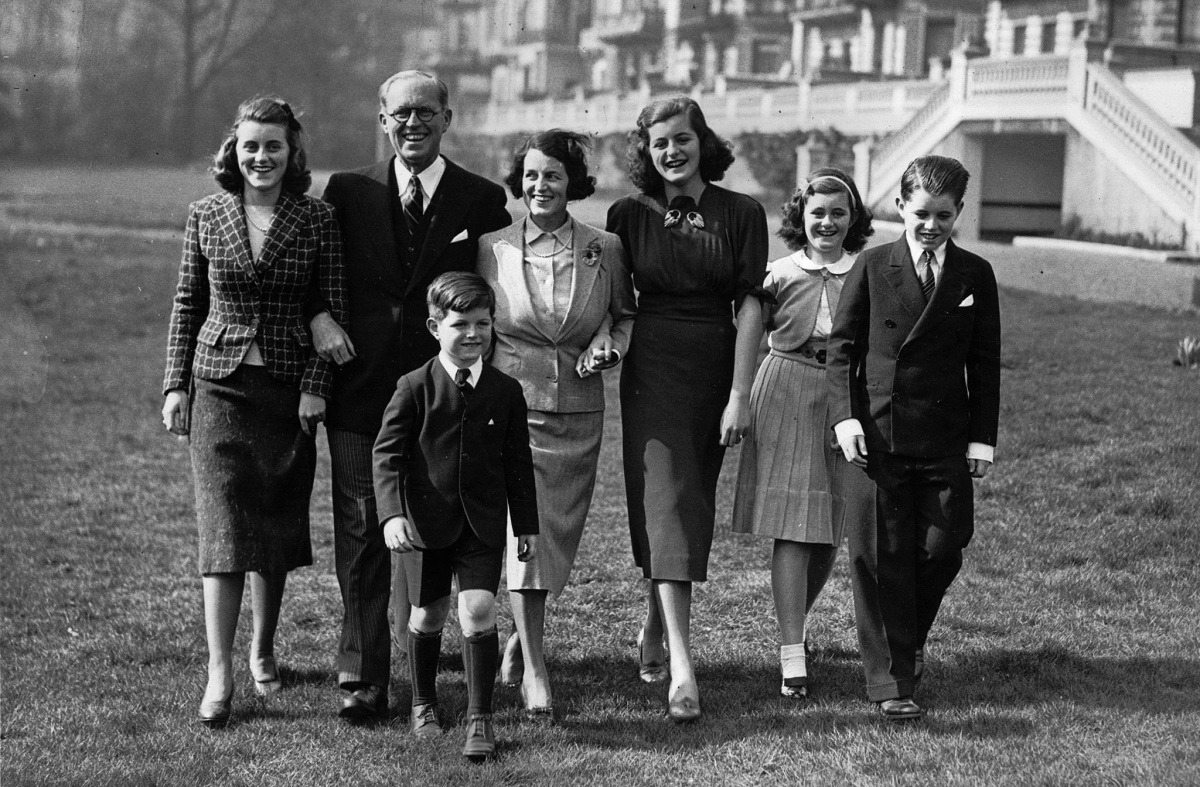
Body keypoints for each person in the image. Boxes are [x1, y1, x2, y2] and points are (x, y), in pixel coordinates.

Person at [310, 70, 511, 723]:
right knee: (362, 528)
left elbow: (490, 294)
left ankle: (433, 649)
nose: (414, 123)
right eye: (401, 113)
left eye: (427, 111)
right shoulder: (348, 191)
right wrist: (319, 315)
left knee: (444, 523)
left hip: (443, 399)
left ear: (447, 118)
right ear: (383, 120)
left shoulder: (481, 198)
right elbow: (315, 269)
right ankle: (363, 674)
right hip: (360, 386)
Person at [161, 96, 346, 727]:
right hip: (218, 386)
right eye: (250, 146)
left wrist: (317, 385)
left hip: (288, 393)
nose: (261, 157)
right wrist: (175, 385)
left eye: (273, 146)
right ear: (233, 152)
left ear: (292, 152)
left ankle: (263, 651)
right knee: (223, 527)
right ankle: (220, 671)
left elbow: (333, 306)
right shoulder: (206, 213)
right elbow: (187, 302)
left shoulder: (317, 218)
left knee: (273, 523)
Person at [606, 96, 768, 723]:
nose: (671, 151)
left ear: (703, 141)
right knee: (666, 502)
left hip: (715, 370)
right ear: (644, 152)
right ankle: (682, 664)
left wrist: (739, 394)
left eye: (682, 138)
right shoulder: (627, 215)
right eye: (659, 143)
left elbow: (750, 306)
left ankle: (654, 621)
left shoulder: (742, 212)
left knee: (687, 504)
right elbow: (615, 301)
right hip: (651, 371)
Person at [826, 155, 1001, 722]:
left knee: (942, 549)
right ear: (900, 207)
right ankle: (891, 682)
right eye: (921, 213)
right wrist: (845, 419)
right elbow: (842, 349)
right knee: (879, 556)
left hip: (945, 436)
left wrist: (982, 441)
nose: (931, 225)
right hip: (878, 435)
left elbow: (985, 362)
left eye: (943, 216)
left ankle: (905, 640)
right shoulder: (874, 265)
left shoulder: (975, 274)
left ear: (959, 213)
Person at [477, 129, 636, 717]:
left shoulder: (604, 247)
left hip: (578, 411)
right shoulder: (491, 247)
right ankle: (536, 672)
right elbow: (475, 324)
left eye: (552, 175)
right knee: (527, 535)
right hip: (509, 411)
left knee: (557, 540)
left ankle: (520, 640)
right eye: (531, 175)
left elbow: (624, 316)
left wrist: (607, 345)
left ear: (573, 183)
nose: (539, 186)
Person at [373, 271, 539, 762]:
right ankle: (423, 702)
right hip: (425, 527)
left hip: (482, 524)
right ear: (434, 326)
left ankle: (479, 716)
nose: (473, 334)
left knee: (480, 609)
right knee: (428, 614)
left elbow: (518, 463)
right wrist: (392, 516)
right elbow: (386, 456)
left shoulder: (506, 390)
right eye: (460, 324)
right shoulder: (413, 387)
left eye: (483, 324)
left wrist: (526, 525)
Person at [731, 168, 876, 700]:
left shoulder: (868, 272)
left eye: (839, 212)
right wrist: (738, 399)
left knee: (829, 526)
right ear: (800, 216)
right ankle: (792, 652)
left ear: (854, 218)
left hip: (845, 399)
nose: (828, 222)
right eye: (817, 212)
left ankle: (799, 624)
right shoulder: (777, 273)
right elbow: (748, 333)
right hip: (786, 389)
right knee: (793, 526)